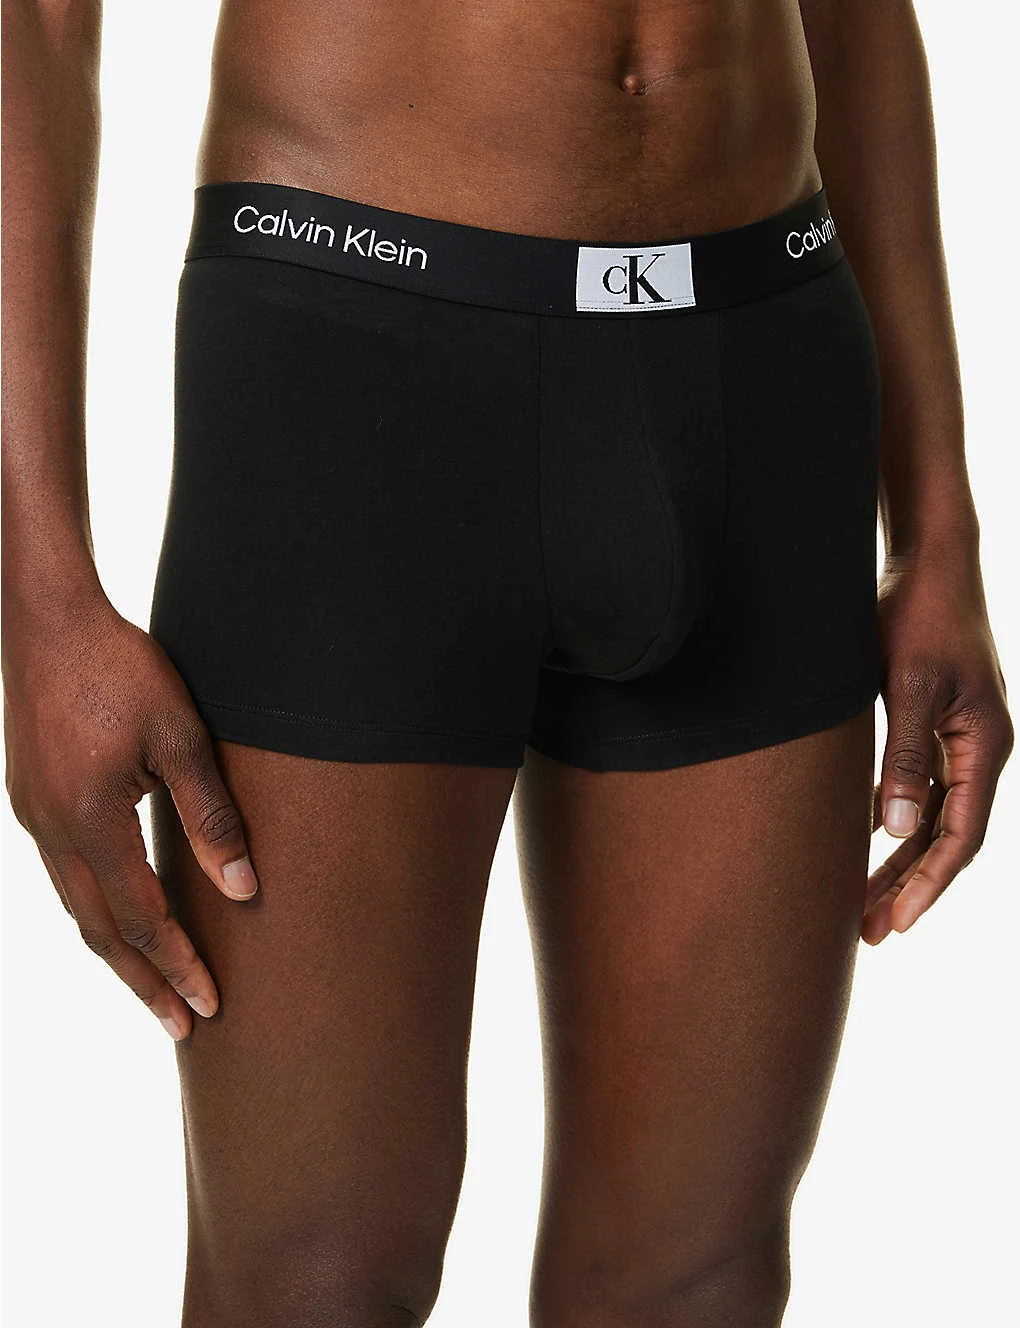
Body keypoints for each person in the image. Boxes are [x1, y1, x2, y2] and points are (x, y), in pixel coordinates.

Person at [2, 0, 1013, 1324]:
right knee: (311, 1282)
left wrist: (936, 530)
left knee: (693, 1283)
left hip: (762, 354)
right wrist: (40, 596)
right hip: (357, 356)